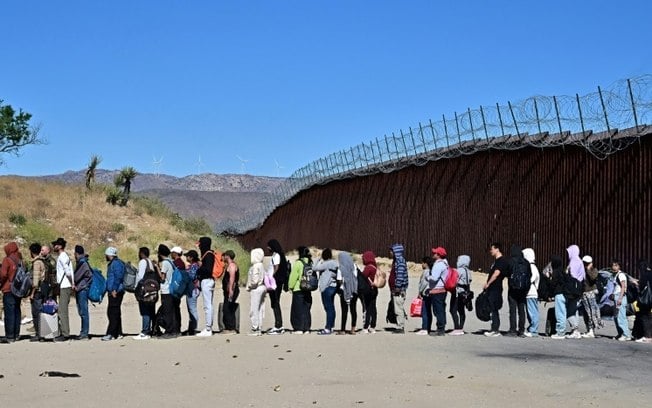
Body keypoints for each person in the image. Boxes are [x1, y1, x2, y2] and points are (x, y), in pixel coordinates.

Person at [483, 242, 509, 337]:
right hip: (493, 288)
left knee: (494, 308)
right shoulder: (496, 261)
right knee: (492, 307)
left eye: (492, 249)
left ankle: (495, 329)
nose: (491, 251)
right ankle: (493, 327)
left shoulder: (501, 261)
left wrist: (488, 283)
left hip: (496, 287)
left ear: (497, 249)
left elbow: (496, 273)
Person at [52, 237, 73, 342]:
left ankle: (65, 334)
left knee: (62, 311)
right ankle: (63, 332)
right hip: (64, 285)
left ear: (59, 246)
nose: (54, 247)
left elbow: (68, 271)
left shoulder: (63, 256)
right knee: (61, 310)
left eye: (55, 245)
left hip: (65, 285)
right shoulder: (62, 256)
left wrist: (72, 283)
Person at [313, 248, 338, 335]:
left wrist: (317, 259)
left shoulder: (327, 264)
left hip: (327, 287)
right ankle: (331, 326)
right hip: (334, 287)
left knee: (328, 308)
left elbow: (314, 268)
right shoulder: (335, 263)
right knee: (331, 307)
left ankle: (328, 328)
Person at [1, 242, 22, 342]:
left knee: (9, 312)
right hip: (18, 289)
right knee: (17, 311)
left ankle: (9, 336)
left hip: (8, 289)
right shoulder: (20, 260)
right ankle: (16, 334)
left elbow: (3, 274)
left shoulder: (7, 260)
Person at [103, 247, 125, 341]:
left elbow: (118, 277)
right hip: (113, 291)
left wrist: (114, 289)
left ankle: (111, 333)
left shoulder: (116, 264)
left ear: (110, 255)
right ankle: (118, 332)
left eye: (106, 255)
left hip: (116, 291)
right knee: (115, 312)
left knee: (112, 312)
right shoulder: (114, 263)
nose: (105, 256)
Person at [133, 247, 156, 340]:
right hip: (152, 288)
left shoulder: (143, 262)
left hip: (144, 289)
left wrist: (135, 287)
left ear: (142, 253)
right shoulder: (150, 262)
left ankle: (145, 331)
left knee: (145, 310)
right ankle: (151, 330)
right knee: (151, 310)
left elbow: (140, 276)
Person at [288, 246, 312, 334]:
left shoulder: (298, 263)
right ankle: (307, 328)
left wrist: (290, 286)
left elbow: (293, 276)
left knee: (297, 309)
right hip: (308, 288)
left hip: (299, 288)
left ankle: (299, 328)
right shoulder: (310, 262)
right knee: (306, 309)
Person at [267, 239, 288, 334]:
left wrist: (270, 278)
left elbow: (276, 268)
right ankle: (278, 324)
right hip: (276, 281)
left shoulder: (276, 255)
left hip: (275, 282)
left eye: (269, 246)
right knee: (275, 303)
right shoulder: (278, 255)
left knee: (275, 303)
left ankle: (278, 325)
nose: (268, 248)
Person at [157, 244, 179, 338]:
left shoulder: (165, 263)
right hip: (172, 289)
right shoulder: (171, 261)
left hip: (166, 290)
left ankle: (169, 331)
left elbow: (162, 278)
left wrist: (157, 267)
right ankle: (174, 330)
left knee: (167, 312)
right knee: (172, 311)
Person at [564, 245, 585, 339]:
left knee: (569, 311)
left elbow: (572, 275)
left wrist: (566, 271)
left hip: (573, 289)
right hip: (579, 288)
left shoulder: (573, 261)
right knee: (574, 310)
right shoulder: (579, 260)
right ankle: (575, 331)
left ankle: (575, 329)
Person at [196, 237, 216, 337]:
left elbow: (208, 270)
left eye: (200, 244)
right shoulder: (208, 254)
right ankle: (208, 327)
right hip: (208, 281)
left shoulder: (208, 255)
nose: (199, 246)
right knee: (208, 305)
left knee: (208, 305)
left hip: (207, 281)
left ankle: (208, 328)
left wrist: (200, 267)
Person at [580, 255, 603, 338]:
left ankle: (591, 330)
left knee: (592, 312)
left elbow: (593, 278)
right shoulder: (582, 270)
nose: (585, 265)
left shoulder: (594, 270)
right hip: (584, 293)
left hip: (591, 293)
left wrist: (589, 269)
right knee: (586, 312)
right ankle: (589, 329)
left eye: (587, 263)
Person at [507, 244, 528, 337]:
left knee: (512, 309)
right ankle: (522, 330)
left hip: (513, 288)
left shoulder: (511, 261)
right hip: (523, 289)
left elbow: (507, 273)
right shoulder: (526, 262)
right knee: (521, 309)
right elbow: (529, 276)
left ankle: (513, 330)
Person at [72, 245, 92, 340]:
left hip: (82, 289)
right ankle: (83, 332)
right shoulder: (82, 262)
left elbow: (77, 277)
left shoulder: (82, 263)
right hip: (82, 288)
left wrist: (77, 286)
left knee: (83, 312)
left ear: (76, 253)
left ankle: (84, 333)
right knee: (82, 311)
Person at [428, 247, 448, 336]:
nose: (433, 254)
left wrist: (427, 277)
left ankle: (440, 329)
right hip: (442, 290)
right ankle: (441, 327)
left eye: (435, 253)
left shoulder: (439, 265)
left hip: (437, 290)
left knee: (438, 310)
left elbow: (434, 278)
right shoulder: (445, 264)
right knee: (441, 309)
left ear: (439, 255)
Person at [337, 251, 359, 335]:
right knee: (353, 310)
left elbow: (339, 280)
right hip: (354, 290)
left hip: (344, 290)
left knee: (344, 310)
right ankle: (353, 329)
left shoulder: (340, 268)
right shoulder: (354, 266)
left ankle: (343, 330)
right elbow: (356, 278)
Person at [28, 243, 46, 342]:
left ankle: (39, 334)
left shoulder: (36, 263)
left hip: (37, 291)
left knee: (36, 313)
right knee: (40, 312)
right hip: (43, 290)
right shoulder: (43, 261)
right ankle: (41, 334)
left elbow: (35, 280)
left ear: (31, 251)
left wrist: (32, 293)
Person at [389, 244, 408, 334]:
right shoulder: (396, 261)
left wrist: (397, 287)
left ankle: (401, 327)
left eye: (391, 251)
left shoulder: (400, 261)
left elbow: (400, 276)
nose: (390, 253)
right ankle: (399, 324)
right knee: (397, 307)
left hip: (399, 290)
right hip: (395, 289)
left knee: (398, 308)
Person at [450, 254, 472, 336]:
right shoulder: (468, 271)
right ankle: (461, 327)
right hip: (465, 293)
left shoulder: (458, 270)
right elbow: (469, 282)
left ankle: (457, 328)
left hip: (457, 292)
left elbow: (454, 281)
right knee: (461, 310)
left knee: (452, 310)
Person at [247, 248, 266, 336]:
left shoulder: (255, 266)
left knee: (254, 309)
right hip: (262, 287)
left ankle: (255, 327)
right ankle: (259, 327)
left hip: (256, 288)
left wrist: (250, 286)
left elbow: (254, 280)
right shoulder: (261, 265)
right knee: (260, 308)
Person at [610, 259, 631, 341]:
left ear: (619, 266)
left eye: (616, 265)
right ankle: (620, 333)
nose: (614, 267)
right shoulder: (615, 275)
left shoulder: (621, 275)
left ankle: (626, 334)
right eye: (613, 265)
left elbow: (623, 287)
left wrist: (620, 298)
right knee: (616, 316)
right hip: (616, 295)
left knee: (621, 316)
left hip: (620, 296)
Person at [633, 259, 652, 343]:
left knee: (645, 316)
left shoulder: (645, 275)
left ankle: (647, 336)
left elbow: (642, 286)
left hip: (647, 299)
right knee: (649, 316)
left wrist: (636, 283)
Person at [522, 248, 539, 337]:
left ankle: (534, 330)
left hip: (531, 292)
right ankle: (531, 328)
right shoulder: (533, 267)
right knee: (530, 311)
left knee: (532, 312)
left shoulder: (531, 267)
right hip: (532, 291)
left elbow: (531, 279)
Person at [222, 250, 240, 334]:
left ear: (227, 256)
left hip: (232, 290)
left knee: (228, 308)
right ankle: (229, 327)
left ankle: (231, 328)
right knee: (227, 307)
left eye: (224, 256)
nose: (223, 257)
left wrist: (231, 290)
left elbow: (232, 278)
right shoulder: (229, 265)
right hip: (228, 290)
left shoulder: (232, 265)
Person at [361, 251, 378, 334]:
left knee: (367, 308)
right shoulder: (375, 267)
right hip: (375, 289)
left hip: (368, 290)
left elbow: (363, 276)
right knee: (373, 308)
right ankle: (373, 326)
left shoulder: (368, 267)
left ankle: (366, 327)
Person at [550, 255, 567, 339]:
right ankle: (562, 330)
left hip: (558, 294)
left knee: (559, 313)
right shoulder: (562, 271)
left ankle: (560, 332)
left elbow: (553, 284)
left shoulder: (556, 272)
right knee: (563, 313)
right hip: (564, 294)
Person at [184, 249, 200, 336]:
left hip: (193, 289)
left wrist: (186, 271)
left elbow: (192, 276)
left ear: (191, 257)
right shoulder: (194, 265)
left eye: (187, 256)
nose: (186, 257)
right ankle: (191, 328)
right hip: (192, 289)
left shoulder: (194, 266)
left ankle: (193, 328)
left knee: (192, 309)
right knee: (191, 309)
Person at [416, 256, 433, 335]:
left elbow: (423, 283)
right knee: (429, 311)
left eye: (422, 263)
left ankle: (424, 328)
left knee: (425, 311)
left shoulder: (426, 271)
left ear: (425, 264)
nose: (421, 264)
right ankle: (428, 327)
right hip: (430, 293)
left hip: (425, 293)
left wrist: (420, 292)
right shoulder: (431, 271)